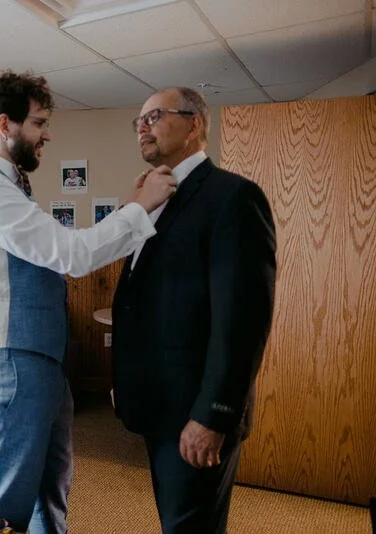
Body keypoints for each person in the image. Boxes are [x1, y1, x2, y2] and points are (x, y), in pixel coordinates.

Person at [0, 71, 176, 533]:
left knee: (53, 482)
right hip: (8, 360)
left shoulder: (6, 183)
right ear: (5, 124)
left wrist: (127, 211)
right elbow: (70, 256)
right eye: (39, 123)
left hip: (37, 358)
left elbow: (57, 245)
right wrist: (141, 209)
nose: (47, 132)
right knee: (7, 503)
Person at [111, 87, 276, 533]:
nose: (142, 127)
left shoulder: (233, 198)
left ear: (195, 124)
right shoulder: (150, 199)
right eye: (138, 121)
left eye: (155, 116)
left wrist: (213, 415)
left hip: (195, 412)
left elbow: (242, 322)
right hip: (159, 404)